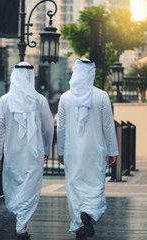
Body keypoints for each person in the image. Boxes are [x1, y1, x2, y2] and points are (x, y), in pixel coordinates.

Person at [0, 62, 54, 240]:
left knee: (15, 188)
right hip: (34, 155)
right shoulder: (40, 100)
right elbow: (48, 129)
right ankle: (21, 224)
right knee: (29, 189)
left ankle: (21, 225)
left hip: (12, 154)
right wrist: (46, 148)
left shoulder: (5, 100)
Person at [57, 59, 119, 239]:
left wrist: (61, 151)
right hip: (95, 151)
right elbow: (108, 126)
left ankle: (79, 224)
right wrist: (112, 151)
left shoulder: (65, 97)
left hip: (72, 152)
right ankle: (90, 214)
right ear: (91, 74)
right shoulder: (101, 96)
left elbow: (60, 128)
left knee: (75, 188)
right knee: (95, 186)